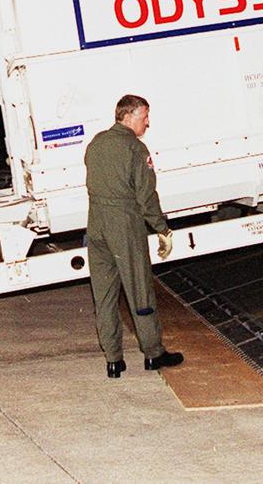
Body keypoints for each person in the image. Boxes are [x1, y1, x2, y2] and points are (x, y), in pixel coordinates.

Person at [84, 94, 183, 378]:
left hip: (96, 224)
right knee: (139, 290)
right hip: (123, 224)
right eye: (145, 117)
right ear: (128, 116)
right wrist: (161, 228)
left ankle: (113, 360)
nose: (147, 123)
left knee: (103, 296)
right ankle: (153, 353)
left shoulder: (96, 143)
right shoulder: (134, 148)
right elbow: (146, 196)